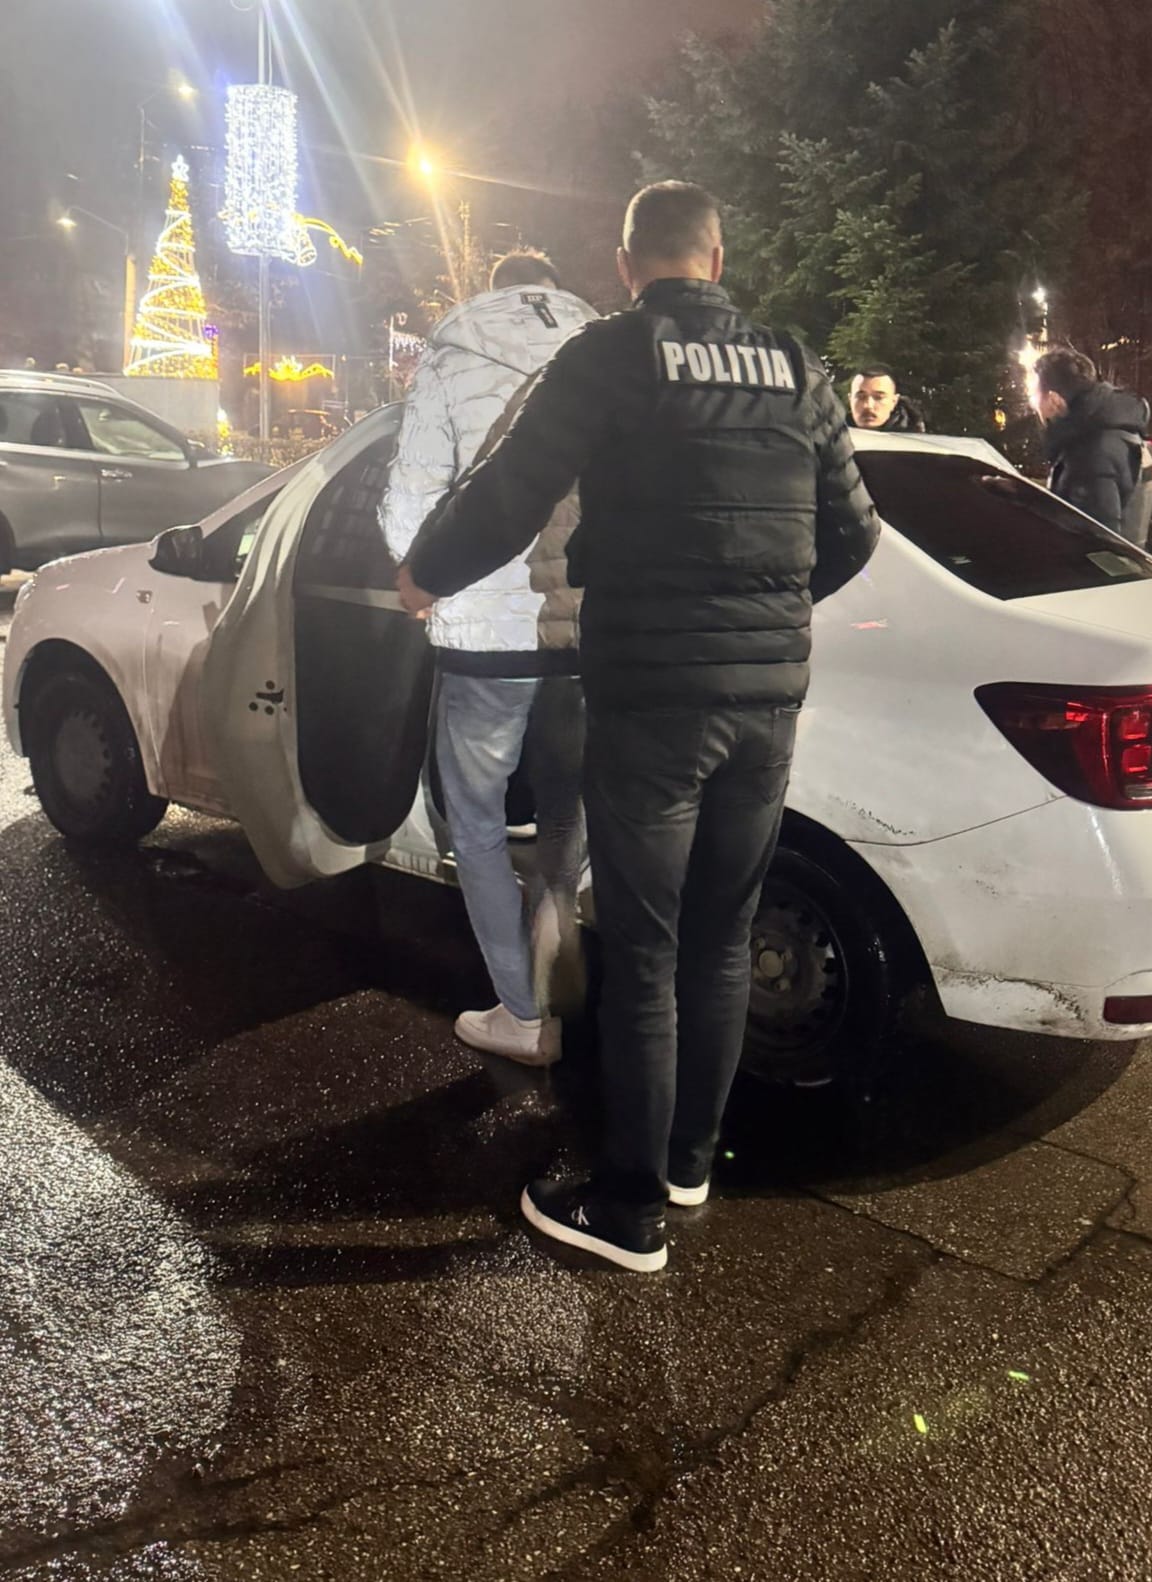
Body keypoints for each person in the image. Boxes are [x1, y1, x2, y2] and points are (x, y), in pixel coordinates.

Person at [397, 182, 881, 1272]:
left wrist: (425, 573)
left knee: (647, 950)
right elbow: (853, 535)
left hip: (650, 700)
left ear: (627, 266)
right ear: (717, 258)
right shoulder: (795, 367)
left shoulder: (610, 355)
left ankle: (626, 1212)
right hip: (763, 705)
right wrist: (763, 607)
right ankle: (688, 1164)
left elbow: (511, 492)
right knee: (720, 939)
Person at [382, 250, 597, 1066]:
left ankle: (522, 1014)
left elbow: (412, 495)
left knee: (473, 821)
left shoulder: (454, 347)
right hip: (582, 630)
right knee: (566, 817)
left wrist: (421, 575)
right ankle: (556, 938)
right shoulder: (603, 345)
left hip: (484, 637)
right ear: (552, 287)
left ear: (495, 289)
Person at [1033, 347, 1152, 543]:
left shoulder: (1090, 452)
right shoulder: (1113, 432)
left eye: (1034, 394)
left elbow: (1098, 540)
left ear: (1054, 399)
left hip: (1097, 563)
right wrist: (1023, 496)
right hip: (1125, 562)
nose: (1033, 404)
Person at [848, 364, 926, 432]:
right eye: (861, 397)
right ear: (850, 400)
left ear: (894, 402)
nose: (868, 405)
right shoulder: (842, 436)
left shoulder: (914, 441)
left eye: (878, 398)